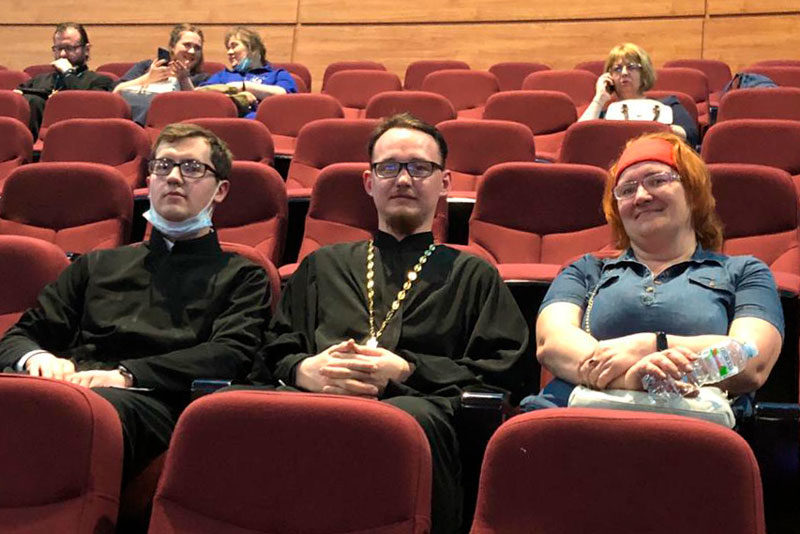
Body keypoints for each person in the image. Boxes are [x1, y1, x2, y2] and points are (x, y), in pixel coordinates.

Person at [249, 113, 528, 534]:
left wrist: (408, 371)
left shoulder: (473, 274)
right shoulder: (322, 266)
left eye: (419, 167)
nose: (403, 179)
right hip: (315, 404)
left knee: (406, 417)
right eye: (389, 167)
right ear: (369, 182)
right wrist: (303, 369)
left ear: (444, 183)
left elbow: (503, 373)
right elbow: (273, 350)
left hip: (420, 416)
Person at [0, 123, 271, 486]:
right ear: (150, 179)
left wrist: (127, 375)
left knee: (78, 416)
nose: (173, 177)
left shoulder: (243, 275)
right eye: (163, 165)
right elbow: (22, 334)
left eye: (192, 168)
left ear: (220, 190)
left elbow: (229, 353)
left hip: (156, 399)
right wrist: (38, 358)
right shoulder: (97, 263)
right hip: (71, 385)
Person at [529, 132, 783, 408]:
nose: (641, 196)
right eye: (627, 190)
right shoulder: (586, 269)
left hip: (696, 422)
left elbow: (752, 359)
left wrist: (651, 345)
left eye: (657, 181)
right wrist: (630, 379)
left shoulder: (744, 272)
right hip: (576, 414)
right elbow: (552, 342)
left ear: (692, 192)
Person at [578, 43, 700, 147]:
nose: (624, 73)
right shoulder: (605, 114)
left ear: (644, 73)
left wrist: (651, 127)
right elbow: (578, 138)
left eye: (631, 67)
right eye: (617, 69)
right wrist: (599, 99)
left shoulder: (668, 105)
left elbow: (691, 136)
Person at [15, 22, 114, 139]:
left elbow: (85, 107)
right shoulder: (39, 80)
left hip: (77, 139)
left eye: (69, 48)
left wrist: (68, 73)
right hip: (33, 143)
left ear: (86, 49)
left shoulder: (100, 81)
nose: (62, 54)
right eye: (58, 48)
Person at [113, 23, 209, 124]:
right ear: (172, 46)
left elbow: (199, 109)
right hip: (137, 122)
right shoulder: (146, 66)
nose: (192, 51)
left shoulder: (202, 78)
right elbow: (116, 92)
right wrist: (148, 78)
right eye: (187, 45)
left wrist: (184, 79)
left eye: (197, 48)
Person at [197, 26, 296, 118]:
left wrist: (244, 86)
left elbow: (284, 97)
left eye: (234, 46)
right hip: (228, 122)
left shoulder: (278, 75)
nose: (229, 52)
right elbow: (200, 93)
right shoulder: (223, 75)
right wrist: (236, 96)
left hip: (261, 123)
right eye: (228, 48)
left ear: (253, 49)